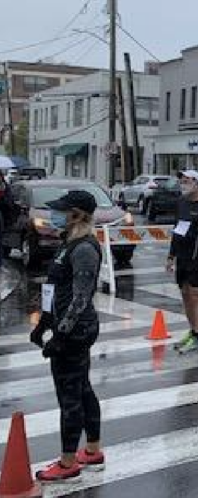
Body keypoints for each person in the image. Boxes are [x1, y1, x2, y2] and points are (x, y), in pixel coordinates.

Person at [29, 190, 105, 481]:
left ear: (77, 215)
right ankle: (93, 450)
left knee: (69, 396)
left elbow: (81, 297)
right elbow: (55, 287)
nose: (54, 215)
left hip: (76, 330)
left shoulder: (84, 248)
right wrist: (44, 321)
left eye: (61, 211)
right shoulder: (68, 243)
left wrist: (61, 334)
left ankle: (67, 462)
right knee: (82, 388)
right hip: (66, 325)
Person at [165, 170, 198, 355]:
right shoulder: (181, 203)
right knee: (185, 293)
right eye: (181, 181)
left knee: (196, 294)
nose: (183, 184)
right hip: (183, 256)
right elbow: (177, 230)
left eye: (187, 181)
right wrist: (171, 256)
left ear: (196, 183)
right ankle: (192, 330)